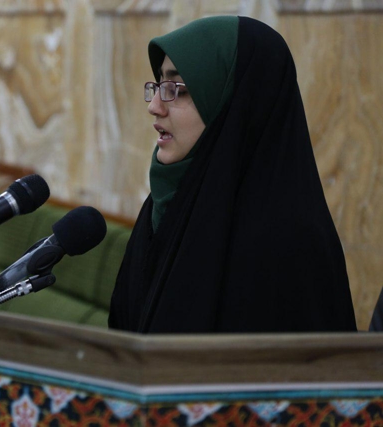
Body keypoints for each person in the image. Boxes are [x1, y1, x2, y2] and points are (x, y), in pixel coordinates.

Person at [108, 16, 357, 333]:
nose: (154, 106)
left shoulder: (291, 244)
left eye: (177, 89)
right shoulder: (164, 205)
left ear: (235, 102)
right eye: (158, 86)